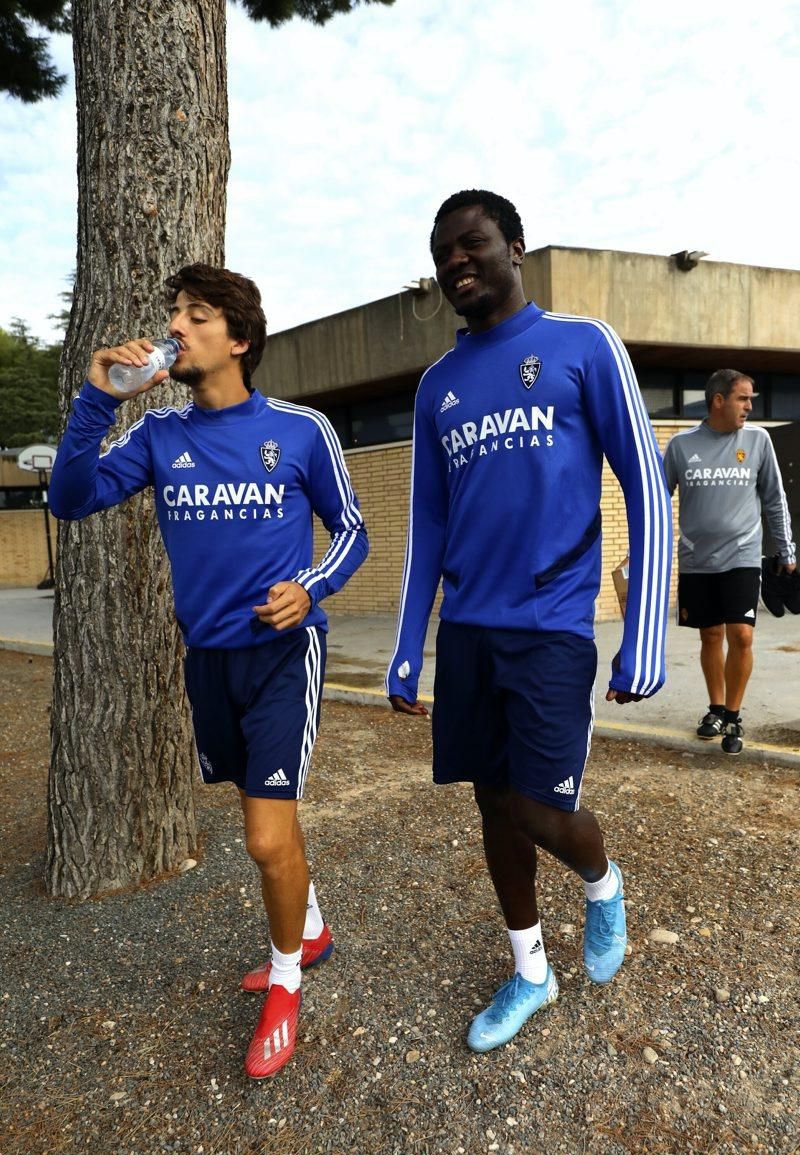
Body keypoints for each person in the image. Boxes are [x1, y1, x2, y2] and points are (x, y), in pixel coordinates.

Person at [49, 264, 368, 1079]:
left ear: (241, 339)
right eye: (174, 315)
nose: (176, 328)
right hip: (207, 659)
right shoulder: (157, 436)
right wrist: (98, 399)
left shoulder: (300, 430)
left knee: (263, 837)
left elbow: (353, 530)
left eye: (196, 315)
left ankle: (289, 977)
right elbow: (70, 498)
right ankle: (314, 923)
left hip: (283, 657)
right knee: (264, 806)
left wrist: (313, 587)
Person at [386, 190, 672, 1053]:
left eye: (471, 244)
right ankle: (530, 973)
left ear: (516, 247)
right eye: (442, 253)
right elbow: (427, 526)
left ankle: (603, 881)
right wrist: (406, 648)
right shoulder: (438, 385)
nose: (455, 263)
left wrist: (645, 632)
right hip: (469, 633)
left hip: (551, 628)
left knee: (544, 811)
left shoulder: (582, 345)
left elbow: (646, 488)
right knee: (492, 807)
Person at [662, 369, 796, 755]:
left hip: (743, 555)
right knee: (711, 635)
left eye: (752, 398)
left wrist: (787, 551)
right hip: (696, 558)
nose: (750, 407)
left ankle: (734, 715)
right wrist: (645, 547)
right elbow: (657, 496)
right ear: (718, 400)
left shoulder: (757, 441)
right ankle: (716, 709)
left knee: (742, 634)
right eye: (743, 398)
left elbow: (774, 498)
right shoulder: (681, 445)